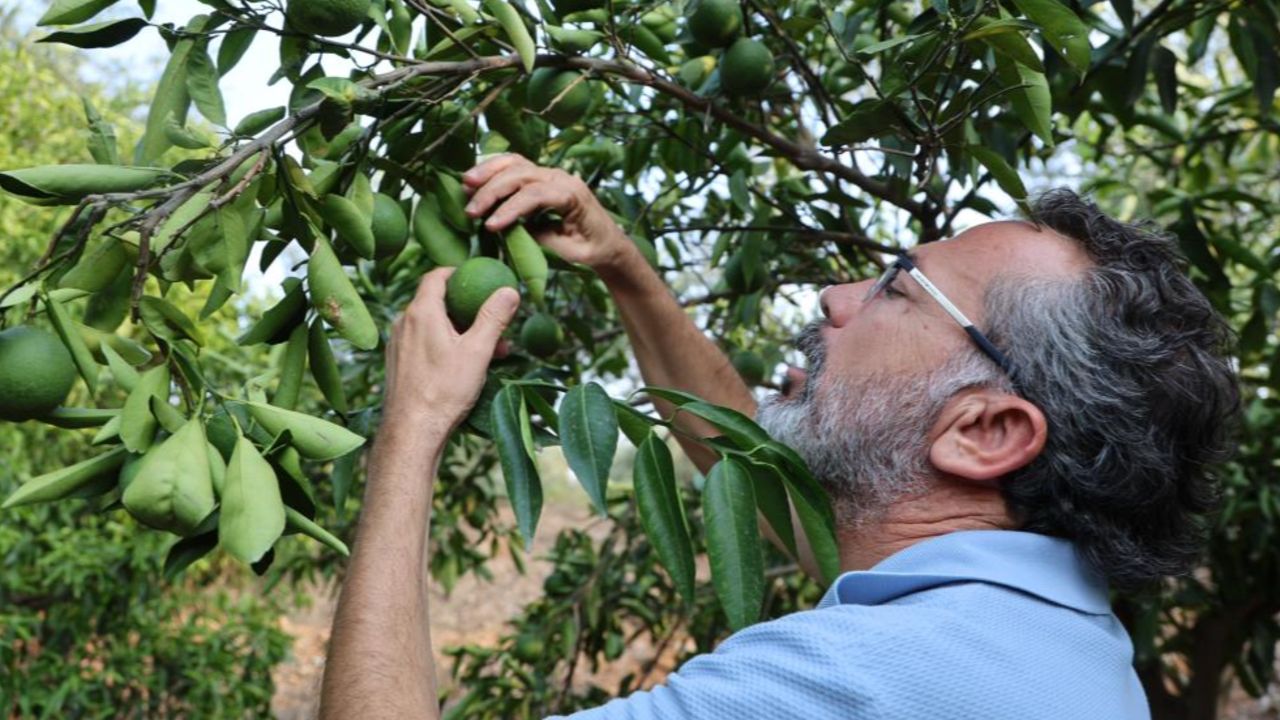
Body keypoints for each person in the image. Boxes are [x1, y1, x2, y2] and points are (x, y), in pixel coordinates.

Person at [318, 154, 1240, 719]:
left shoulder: (869, 680)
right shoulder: (1038, 622)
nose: (836, 298)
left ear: (985, 430)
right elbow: (763, 480)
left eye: (896, 288)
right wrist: (624, 266)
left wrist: (414, 427)